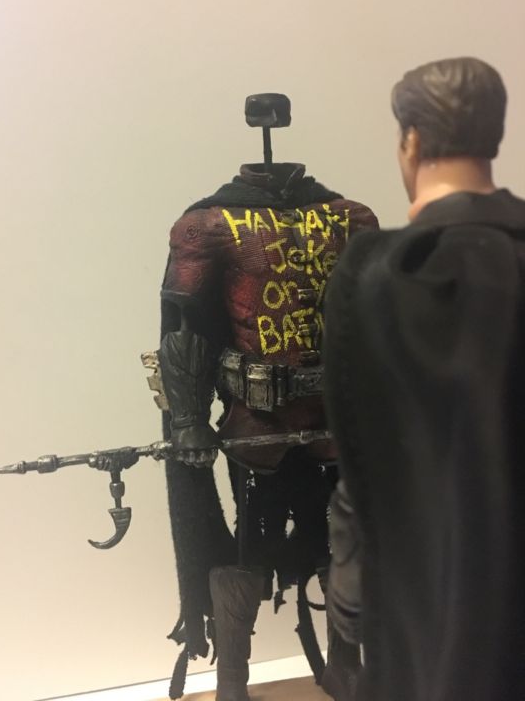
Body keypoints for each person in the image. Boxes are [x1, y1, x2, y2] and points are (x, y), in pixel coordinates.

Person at [156, 93, 378, 701]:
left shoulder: (351, 218)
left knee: (343, 540)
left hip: (333, 418)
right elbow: (184, 329)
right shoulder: (206, 225)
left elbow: (374, 319)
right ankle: (232, 679)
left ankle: (346, 664)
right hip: (256, 420)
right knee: (248, 547)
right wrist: (188, 419)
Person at [323, 57, 525, 701]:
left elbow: (359, 459)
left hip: (427, 607)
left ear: (410, 141)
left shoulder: (375, 275)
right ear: (494, 134)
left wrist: (349, 592)